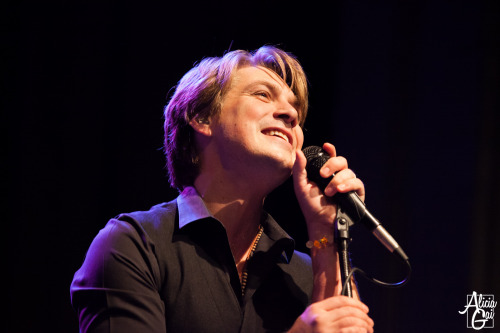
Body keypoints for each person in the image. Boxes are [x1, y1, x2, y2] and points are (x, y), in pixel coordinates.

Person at [70, 45, 374, 333]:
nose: (291, 115)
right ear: (202, 117)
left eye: (295, 111)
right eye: (263, 95)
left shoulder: (306, 273)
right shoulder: (132, 245)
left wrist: (324, 229)